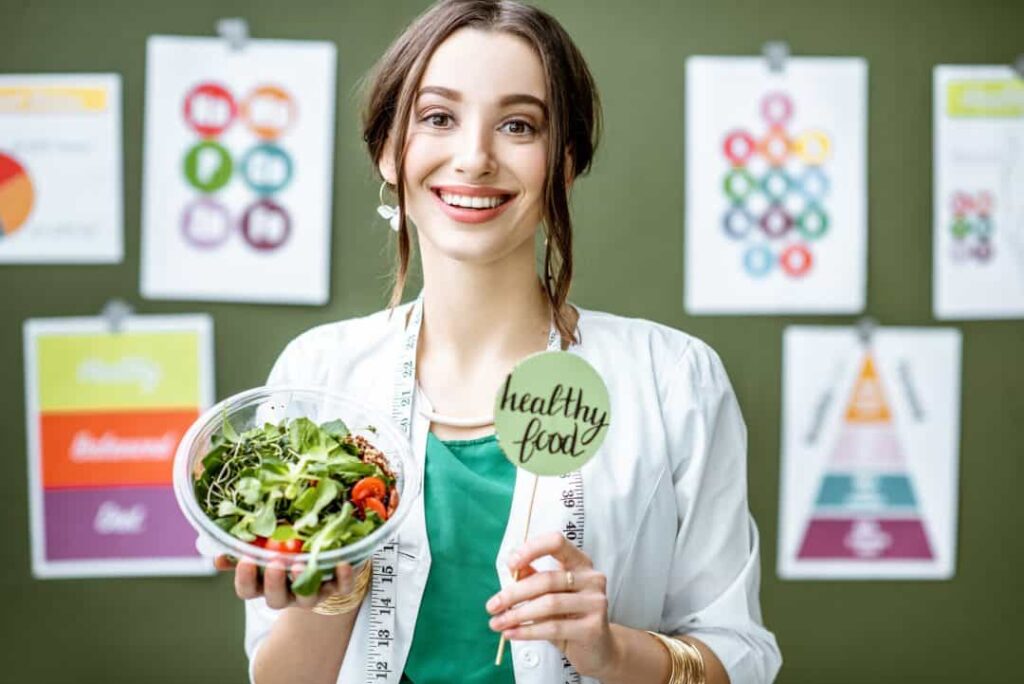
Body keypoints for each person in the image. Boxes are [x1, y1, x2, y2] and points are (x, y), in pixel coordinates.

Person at [214, 1, 782, 682]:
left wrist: (610, 648)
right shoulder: (318, 377)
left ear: (565, 163)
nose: (475, 157)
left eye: (518, 125)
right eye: (438, 118)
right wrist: (329, 599)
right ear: (388, 152)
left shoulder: (675, 379)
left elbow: (740, 660)